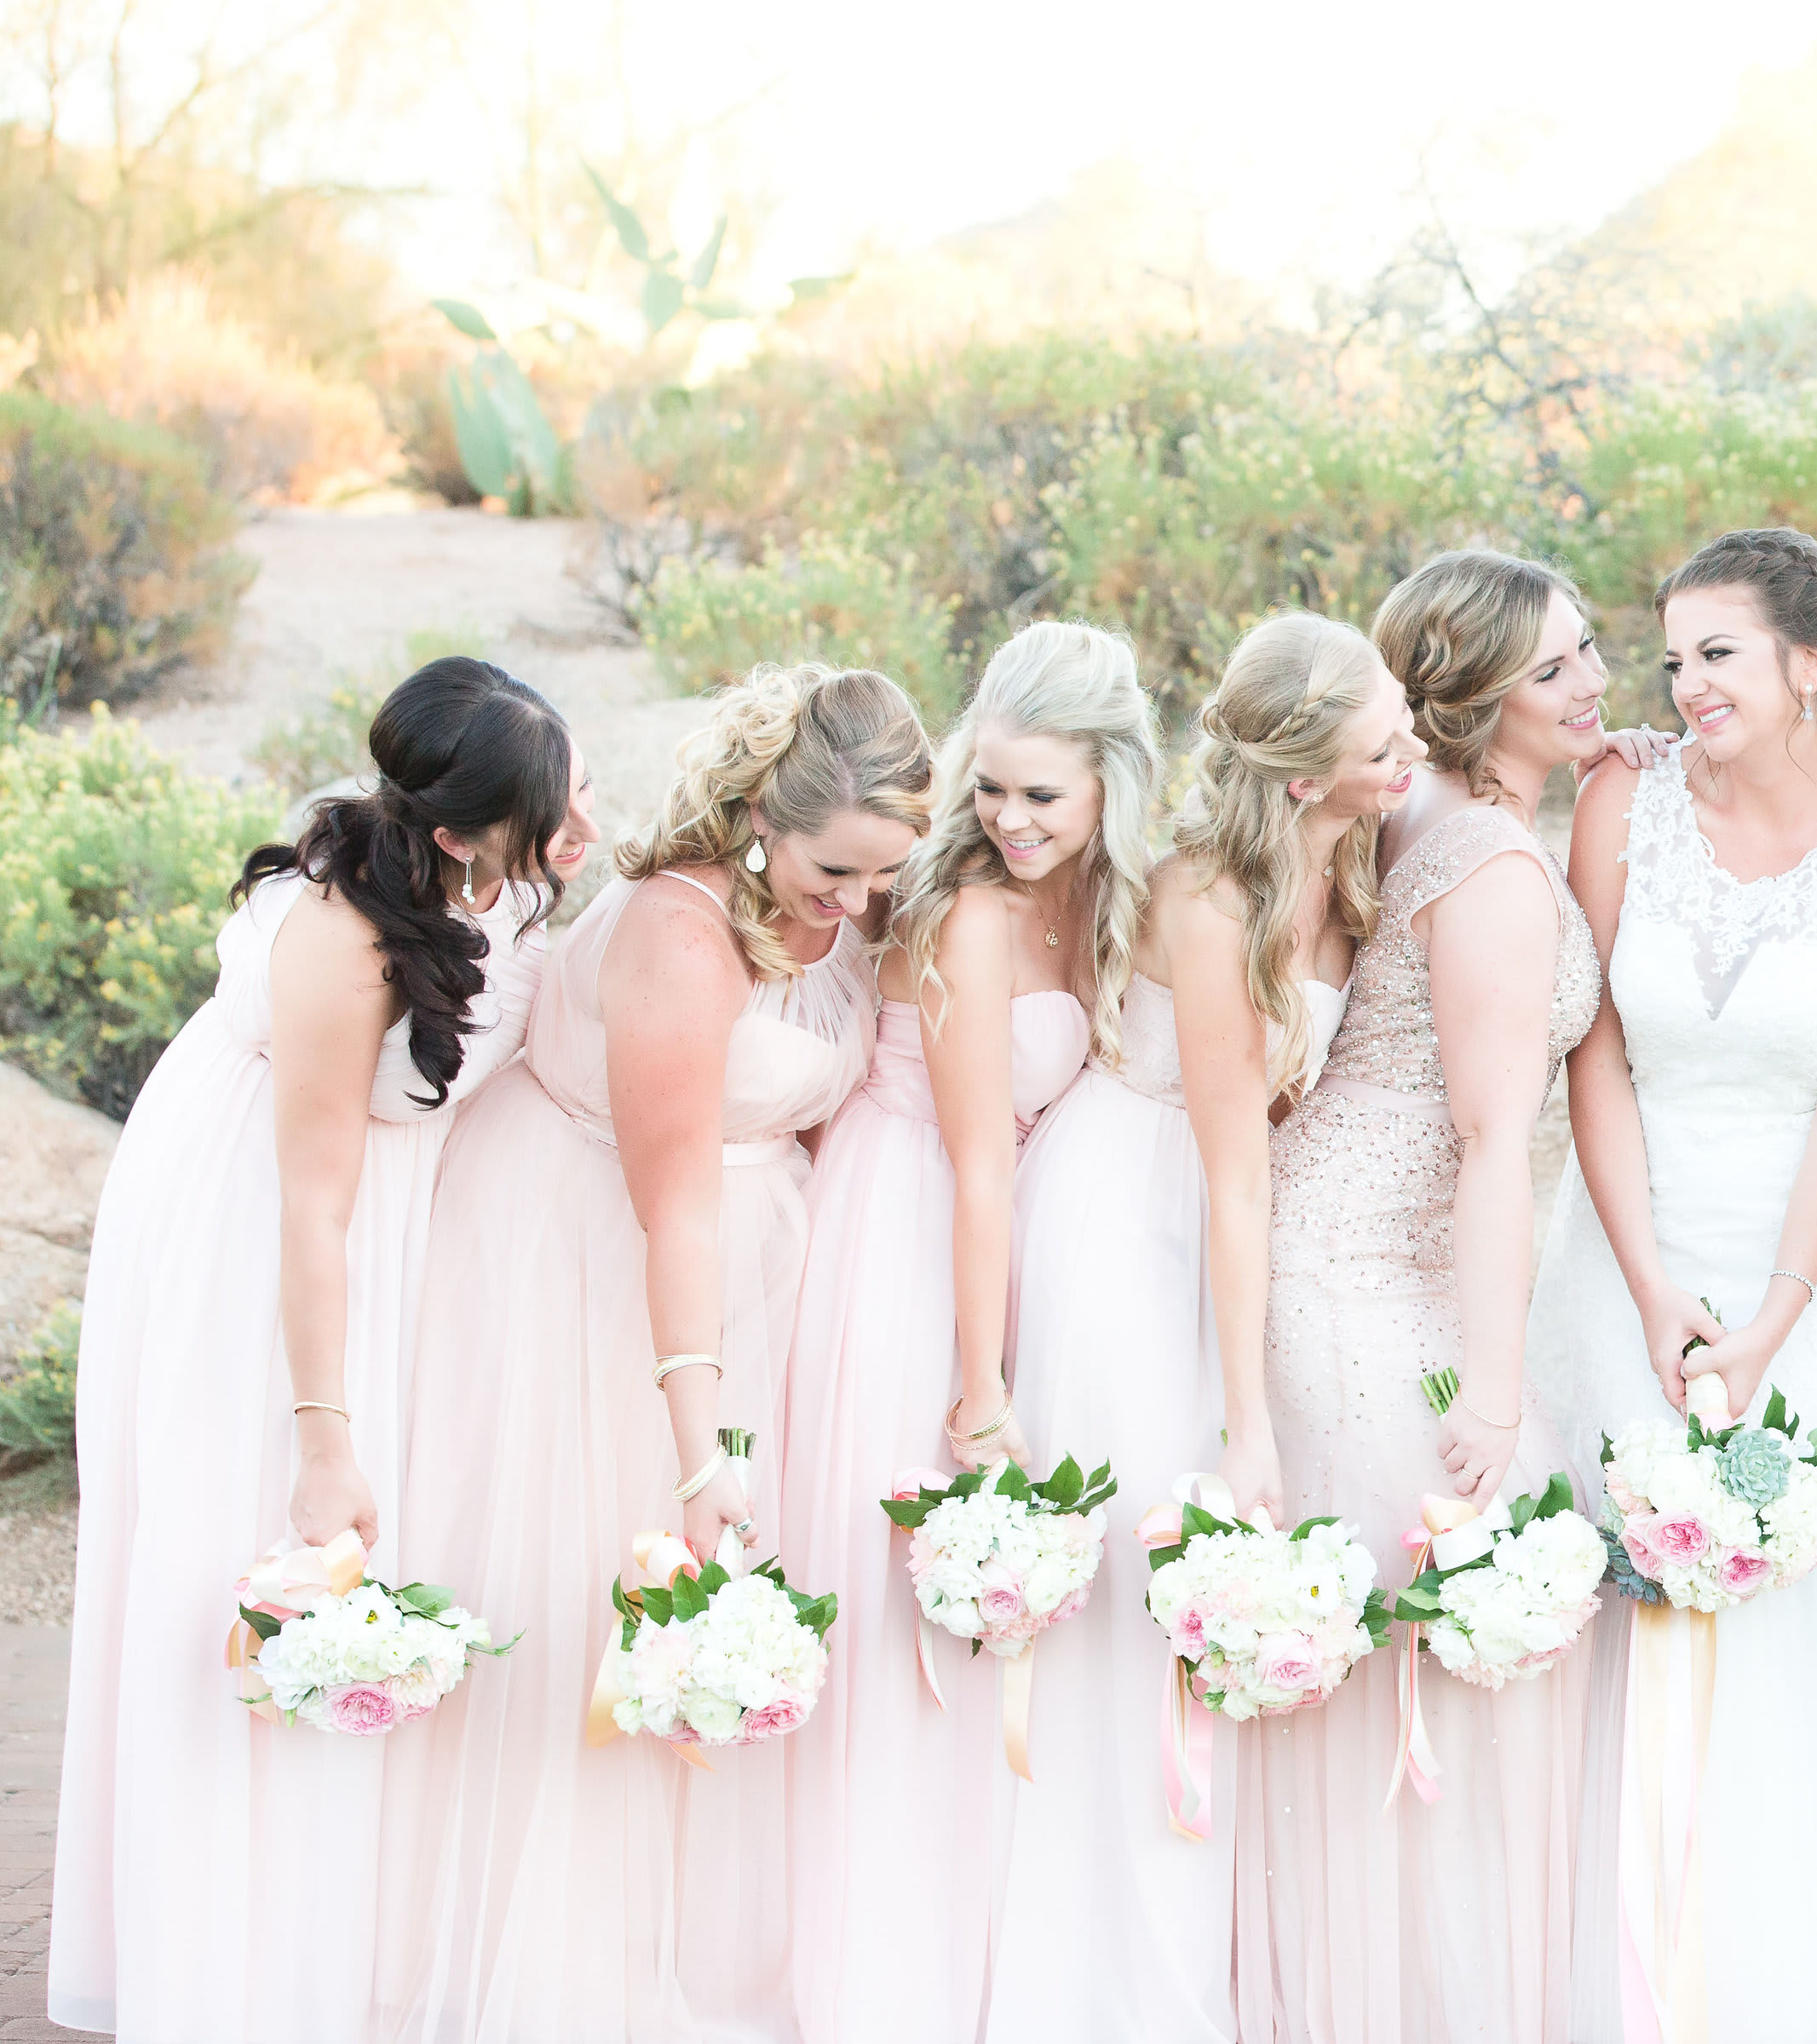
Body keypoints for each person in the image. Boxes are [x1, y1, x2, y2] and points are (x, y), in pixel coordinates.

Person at [377, 663, 930, 2041]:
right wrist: (700, 1449)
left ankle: (682, 1939)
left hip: (743, 1252)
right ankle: (564, 1969)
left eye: (882, 875)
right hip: (591, 1256)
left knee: (692, 1613)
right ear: (759, 817)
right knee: (602, 1575)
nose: (858, 901)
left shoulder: (833, 894)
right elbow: (672, 1207)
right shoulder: (684, 939)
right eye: (836, 871)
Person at [52, 658, 591, 2044]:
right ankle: (223, 1967)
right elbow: (311, 1207)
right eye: (548, 810)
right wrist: (324, 1439)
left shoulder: (459, 865)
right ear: (459, 829)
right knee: (256, 1553)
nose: (570, 828)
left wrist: (553, 860)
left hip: (362, 1228)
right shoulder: (344, 943)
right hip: (268, 1254)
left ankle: (310, 1938)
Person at [1524, 526, 1817, 2041]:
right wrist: (1649, 1283)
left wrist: (1778, 1312)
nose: (1686, 685)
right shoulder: (1622, 801)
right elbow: (1593, 1052)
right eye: (1673, 659)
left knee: (1801, 1616)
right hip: (1629, 1249)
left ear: (1810, 661)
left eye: (1718, 653)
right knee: (1638, 1603)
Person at [987, 612, 1416, 2042]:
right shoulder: (1214, 901)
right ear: (1303, 773)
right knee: (1149, 1541)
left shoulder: (1348, 856)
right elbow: (1237, 1173)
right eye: (1383, 731)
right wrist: (1249, 1424)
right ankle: (1107, 1980)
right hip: (1131, 1213)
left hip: (1224, 1214)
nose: (1409, 743)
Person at [1234, 552, 1626, 2042]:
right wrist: (1499, 1387)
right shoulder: (1490, 864)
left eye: (1591, 651)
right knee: (1436, 1651)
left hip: (1340, 1249)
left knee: (1391, 1660)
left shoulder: (1413, 810)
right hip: (1373, 1282)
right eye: (1555, 669)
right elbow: (1488, 1138)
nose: (1595, 683)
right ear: (1472, 698)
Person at [783, 623, 1159, 2042]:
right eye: (988, 786)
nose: (1007, 818)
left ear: (1115, 784)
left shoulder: (1104, 894)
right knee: (911, 1590)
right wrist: (981, 1382)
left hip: (1009, 1233)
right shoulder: (972, 914)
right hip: (913, 1231)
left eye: (1041, 794)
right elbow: (977, 1161)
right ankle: (892, 1963)